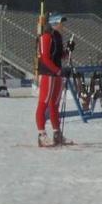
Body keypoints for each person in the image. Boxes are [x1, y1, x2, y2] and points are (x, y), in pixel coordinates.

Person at [36, 14, 72, 147]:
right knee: (44, 102)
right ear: (54, 23)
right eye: (61, 23)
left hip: (57, 73)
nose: (63, 25)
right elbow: (45, 58)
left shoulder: (57, 36)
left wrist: (68, 50)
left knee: (54, 104)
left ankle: (57, 134)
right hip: (48, 74)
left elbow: (59, 54)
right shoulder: (46, 37)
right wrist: (58, 71)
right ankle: (41, 134)